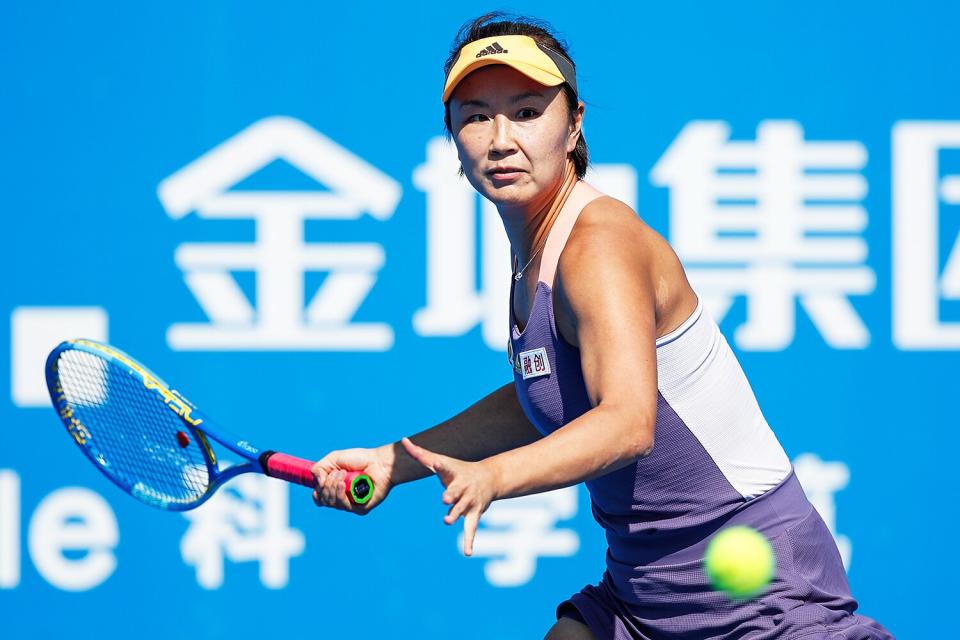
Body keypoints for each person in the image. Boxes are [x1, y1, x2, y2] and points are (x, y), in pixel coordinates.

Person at [311, 13, 894, 640]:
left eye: (529, 111)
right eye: (477, 115)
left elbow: (625, 422)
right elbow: (545, 397)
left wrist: (494, 477)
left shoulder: (597, 244)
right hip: (643, 589)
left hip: (760, 593)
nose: (501, 138)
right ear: (452, 135)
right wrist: (394, 461)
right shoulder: (531, 250)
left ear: (574, 124)